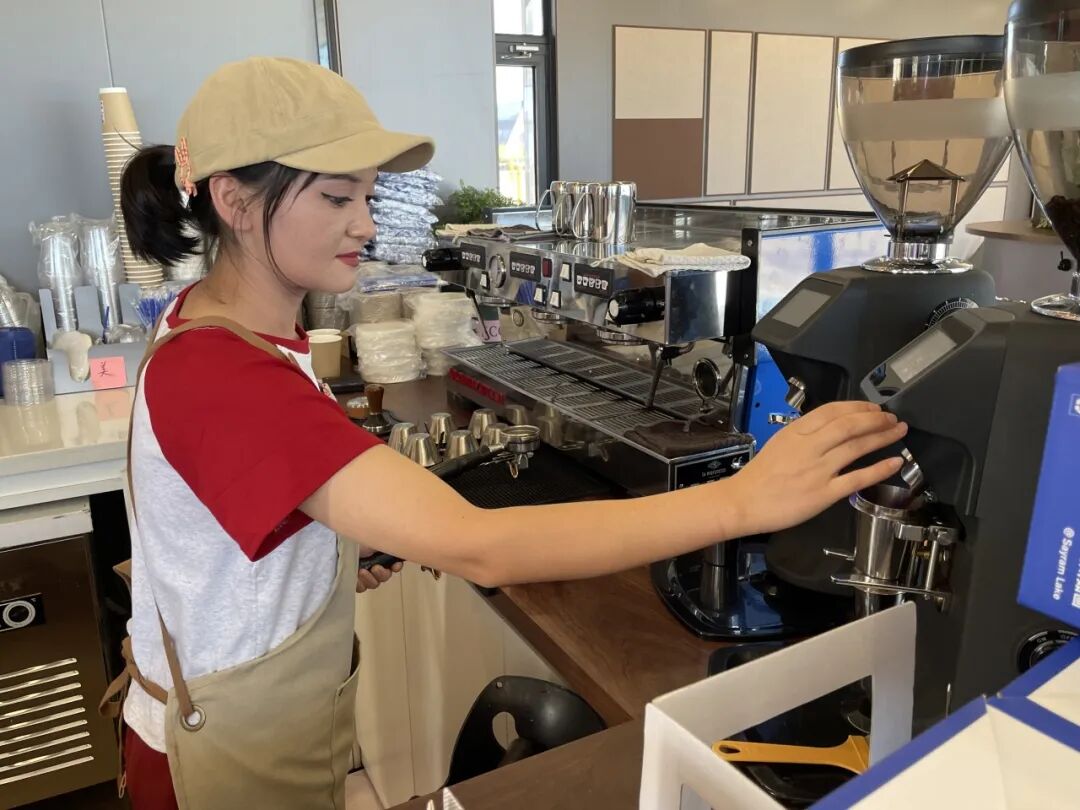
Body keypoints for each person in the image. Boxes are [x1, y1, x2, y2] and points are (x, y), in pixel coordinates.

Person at [104, 57, 907, 810]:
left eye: (368, 197)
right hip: (210, 763)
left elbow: (228, 531)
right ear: (235, 201)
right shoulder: (223, 374)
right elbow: (481, 546)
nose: (365, 225)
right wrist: (743, 501)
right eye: (337, 199)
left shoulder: (227, 330)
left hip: (261, 720)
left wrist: (326, 557)